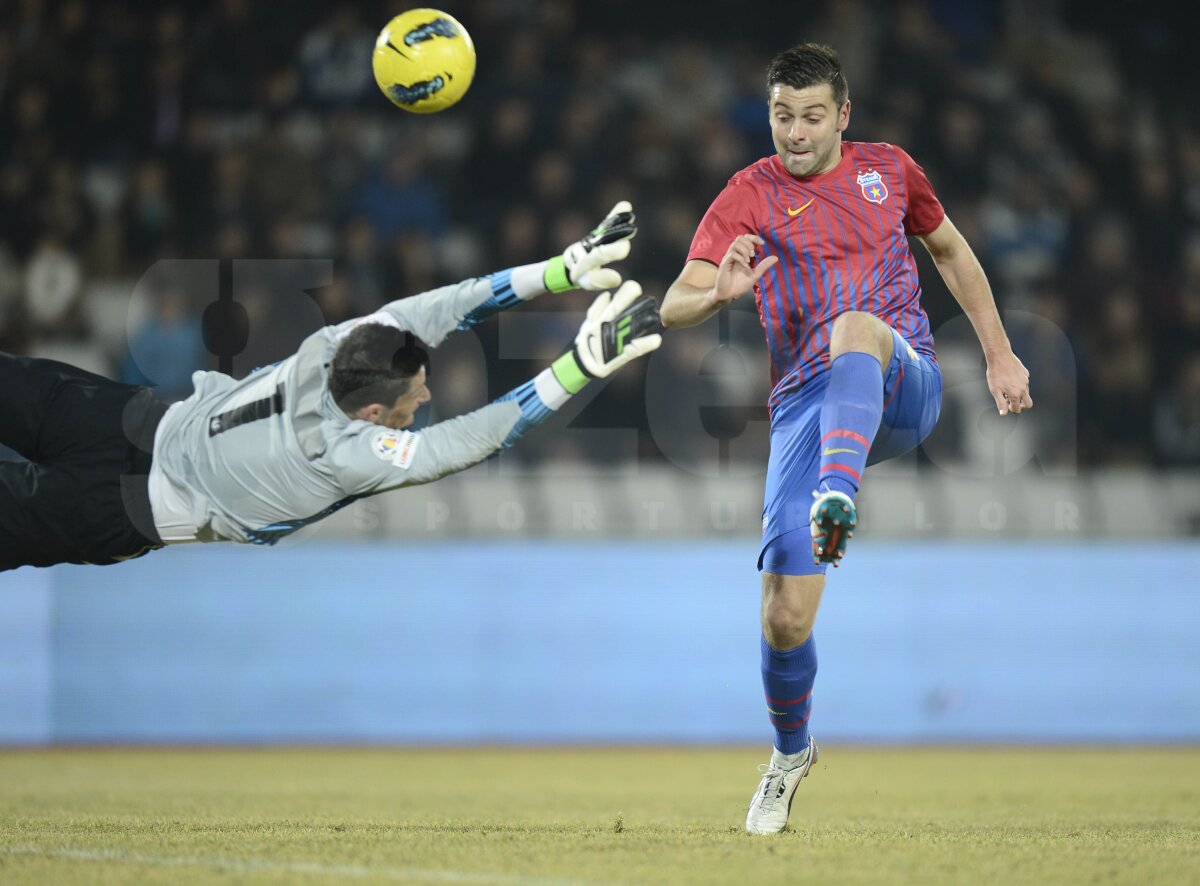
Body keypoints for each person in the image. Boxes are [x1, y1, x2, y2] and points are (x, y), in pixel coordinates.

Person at [660, 45, 1032, 835]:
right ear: (769, 114)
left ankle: (839, 494)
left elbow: (953, 253)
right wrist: (716, 292)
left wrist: (999, 354)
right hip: (805, 408)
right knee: (784, 616)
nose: (795, 132)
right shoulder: (746, 194)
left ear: (844, 116)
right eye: (781, 115)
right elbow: (673, 305)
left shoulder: (890, 169)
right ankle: (790, 754)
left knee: (856, 325)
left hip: (901, 384)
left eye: (812, 115)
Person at [0, 203, 660, 571]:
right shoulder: (347, 457)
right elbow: (470, 442)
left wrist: (559, 271)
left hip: (124, 419)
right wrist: (576, 367)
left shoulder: (330, 347)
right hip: (120, 504)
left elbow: (444, 306)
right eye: (411, 400)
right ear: (373, 412)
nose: (424, 401)